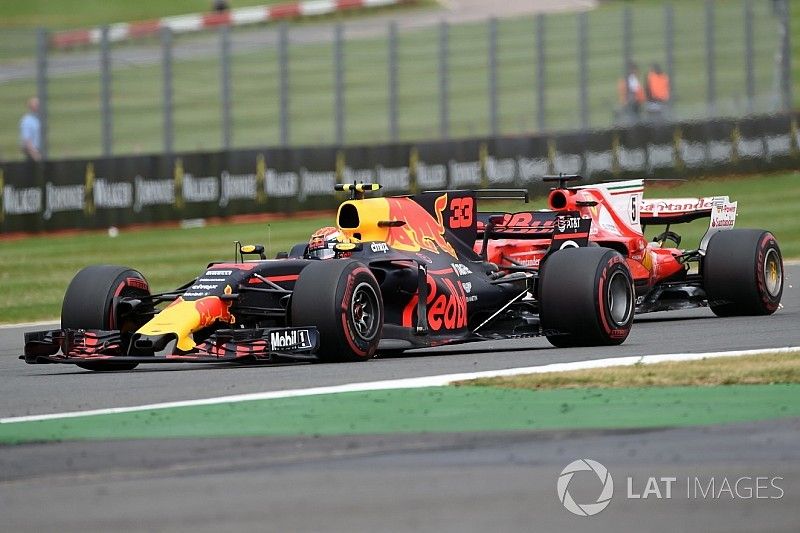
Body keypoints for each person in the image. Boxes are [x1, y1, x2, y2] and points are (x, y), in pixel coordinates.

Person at [19, 97, 41, 162]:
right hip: (32, 153)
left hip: (39, 151)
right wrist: (35, 155)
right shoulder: (27, 121)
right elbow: (27, 140)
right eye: (37, 105)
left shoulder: (38, 119)